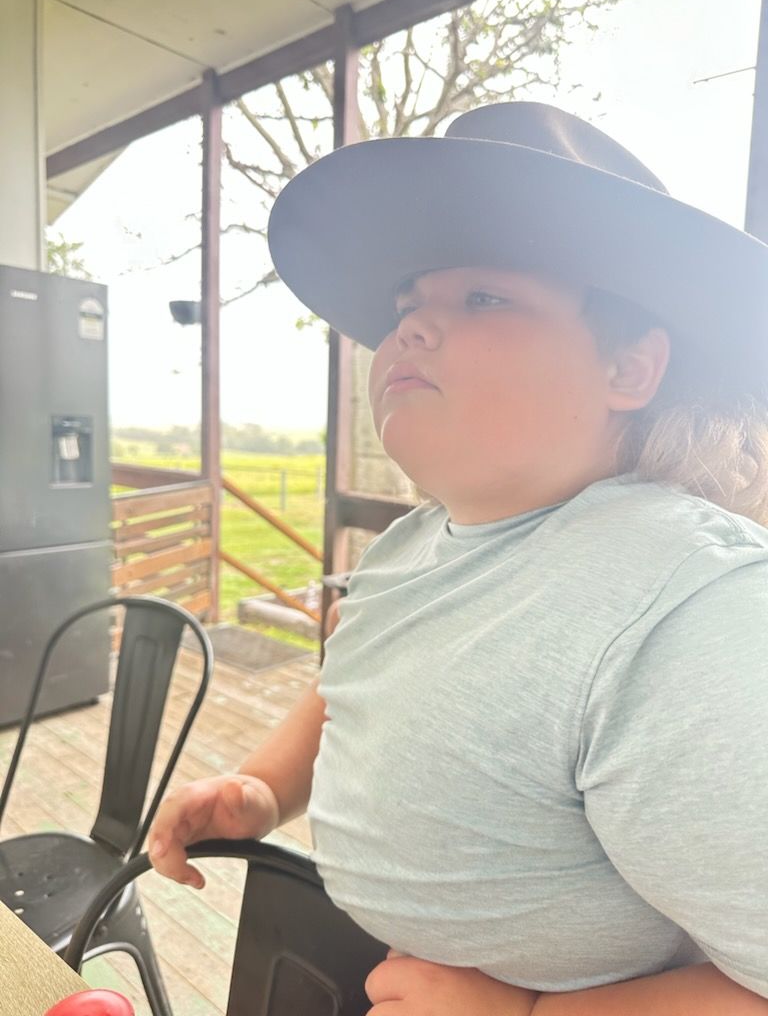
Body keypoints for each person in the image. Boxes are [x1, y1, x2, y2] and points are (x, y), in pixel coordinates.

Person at [149, 103, 768, 1014]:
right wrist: (264, 790)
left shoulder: (684, 608)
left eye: (482, 297)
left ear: (630, 368)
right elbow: (363, 676)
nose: (412, 328)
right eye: (407, 306)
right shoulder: (418, 539)